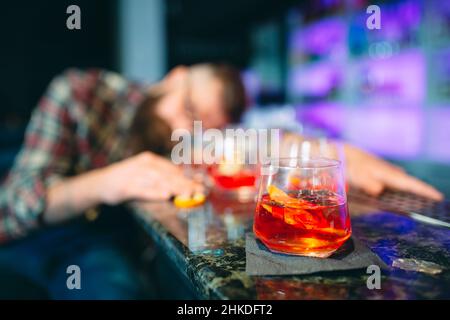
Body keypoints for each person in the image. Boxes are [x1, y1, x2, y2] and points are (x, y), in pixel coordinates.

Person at [0, 64, 443, 299]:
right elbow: (12, 205)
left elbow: (255, 144)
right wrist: (110, 180)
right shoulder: (80, 92)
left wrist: (335, 153)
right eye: (188, 105)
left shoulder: (186, 138)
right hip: (57, 236)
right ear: (175, 76)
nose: (184, 126)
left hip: (128, 238)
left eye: (200, 126)